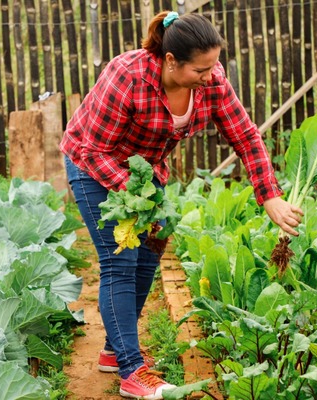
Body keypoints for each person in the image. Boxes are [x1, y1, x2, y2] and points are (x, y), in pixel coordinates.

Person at [60, 10, 303, 400]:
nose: (211, 75)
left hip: (146, 172)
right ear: (171, 61)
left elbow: (245, 135)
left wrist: (269, 195)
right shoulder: (128, 76)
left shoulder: (213, 81)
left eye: (213, 66)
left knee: (149, 256)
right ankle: (132, 371)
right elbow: (92, 149)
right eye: (201, 69)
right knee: (120, 260)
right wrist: (137, 200)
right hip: (95, 167)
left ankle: (114, 350)